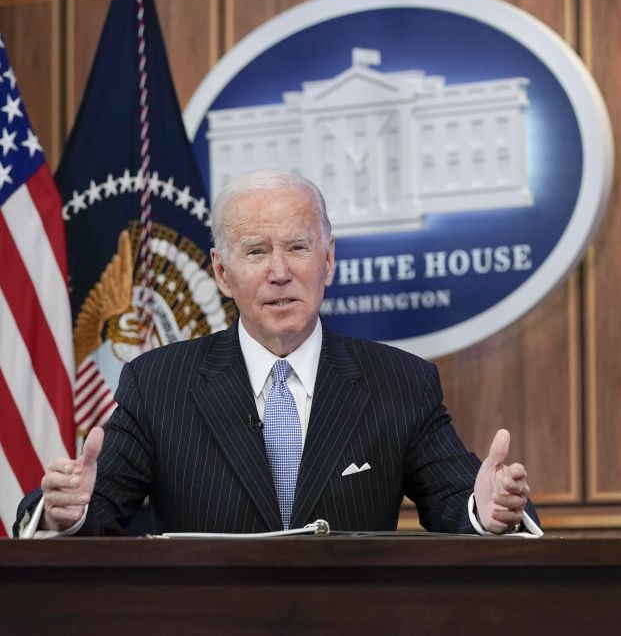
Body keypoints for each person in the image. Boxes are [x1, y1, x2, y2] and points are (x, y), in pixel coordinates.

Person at [15, 169, 540, 537]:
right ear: (222, 272)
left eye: (298, 247)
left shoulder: (400, 382)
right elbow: (96, 505)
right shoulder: (158, 384)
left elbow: (461, 501)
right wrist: (65, 511)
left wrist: (489, 509)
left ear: (329, 261)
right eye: (256, 251)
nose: (280, 272)